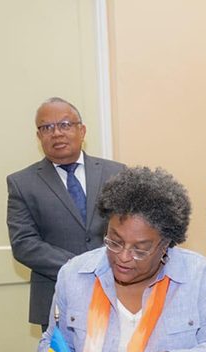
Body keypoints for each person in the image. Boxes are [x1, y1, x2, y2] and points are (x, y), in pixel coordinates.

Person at [38, 167, 206, 352]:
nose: (123, 257)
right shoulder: (74, 275)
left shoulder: (200, 277)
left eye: (140, 249)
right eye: (115, 242)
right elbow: (52, 345)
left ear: (165, 244)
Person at [7, 97, 125, 330]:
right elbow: (24, 243)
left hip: (118, 289)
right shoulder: (22, 183)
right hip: (57, 297)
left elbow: (131, 227)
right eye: (47, 127)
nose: (57, 133)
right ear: (39, 136)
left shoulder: (116, 172)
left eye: (65, 125)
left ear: (82, 130)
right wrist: (80, 266)